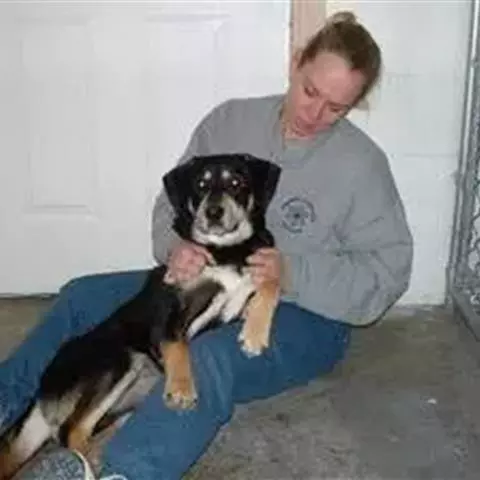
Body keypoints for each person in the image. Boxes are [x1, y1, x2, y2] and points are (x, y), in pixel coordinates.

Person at [0, 11, 413, 480]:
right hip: (209, 280)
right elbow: (172, 203)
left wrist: (295, 273)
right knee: (82, 298)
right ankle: (5, 403)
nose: (313, 114)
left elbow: (388, 274)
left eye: (336, 108)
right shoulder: (231, 121)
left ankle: (126, 472)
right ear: (296, 62)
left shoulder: (361, 165)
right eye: (310, 91)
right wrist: (175, 246)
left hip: (307, 314)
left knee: (207, 357)